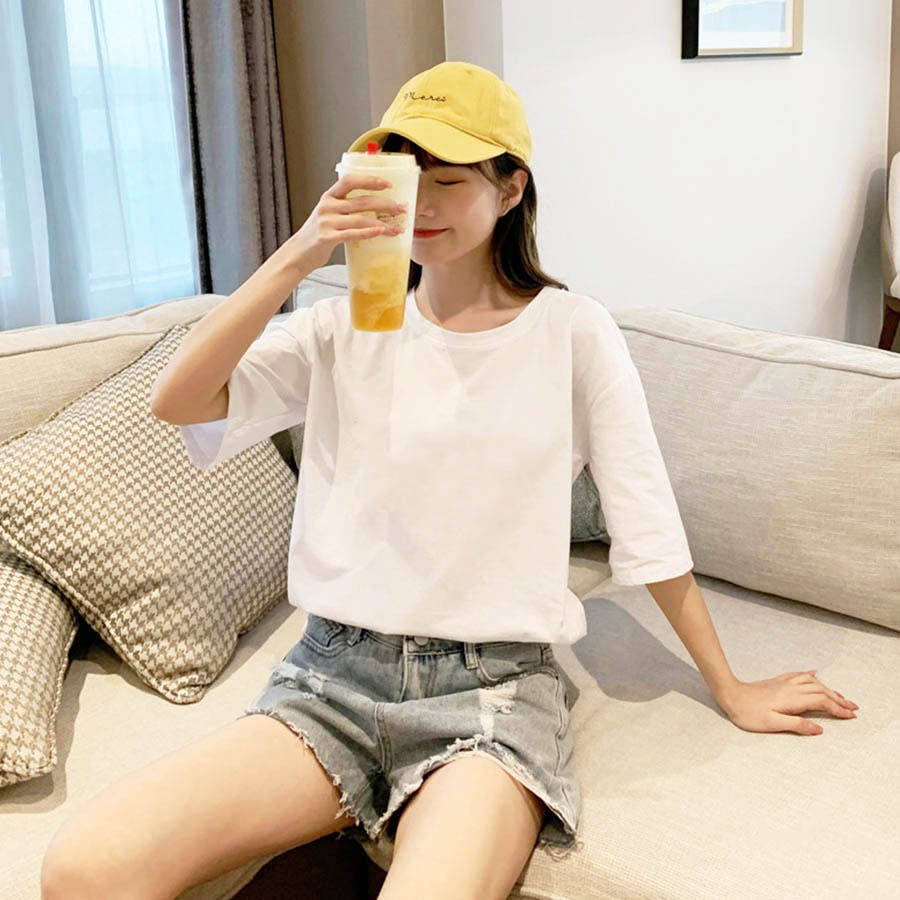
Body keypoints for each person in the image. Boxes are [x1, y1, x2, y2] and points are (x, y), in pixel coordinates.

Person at [40, 61, 694, 900]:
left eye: (449, 181)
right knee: (84, 868)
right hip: (331, 679)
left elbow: (647, 519)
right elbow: (179, 400)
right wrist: (302, 251)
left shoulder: (573, 332)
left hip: (490, 693)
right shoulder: (343, 325)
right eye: (404, 178)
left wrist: (731, 685)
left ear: (511, 188)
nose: (421, 204)